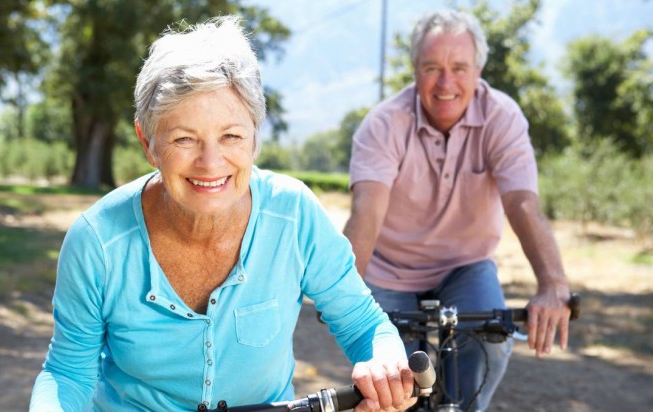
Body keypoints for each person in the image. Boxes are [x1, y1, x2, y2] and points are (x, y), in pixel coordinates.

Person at [30, 16, 417, 412]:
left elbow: (364, 323)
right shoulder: (96, 241)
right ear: (148, 143)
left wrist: (385, 362)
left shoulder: (294, 214)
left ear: (254, 138)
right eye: (184, 138)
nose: (210, 163)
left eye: (231, 135)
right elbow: (68, 373)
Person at [343, 9, 572, 412]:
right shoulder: (383, 124)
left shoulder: (503, 117)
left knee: (490, 345)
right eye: (432, 68)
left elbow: (522, 201)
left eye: (459, 68)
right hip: (389, 269)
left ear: (479, 69)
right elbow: (367, 211)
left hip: (465, 266)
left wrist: (552, 285)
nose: (446, 82)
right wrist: (342, 289)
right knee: (393, 377)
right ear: (414, 69)